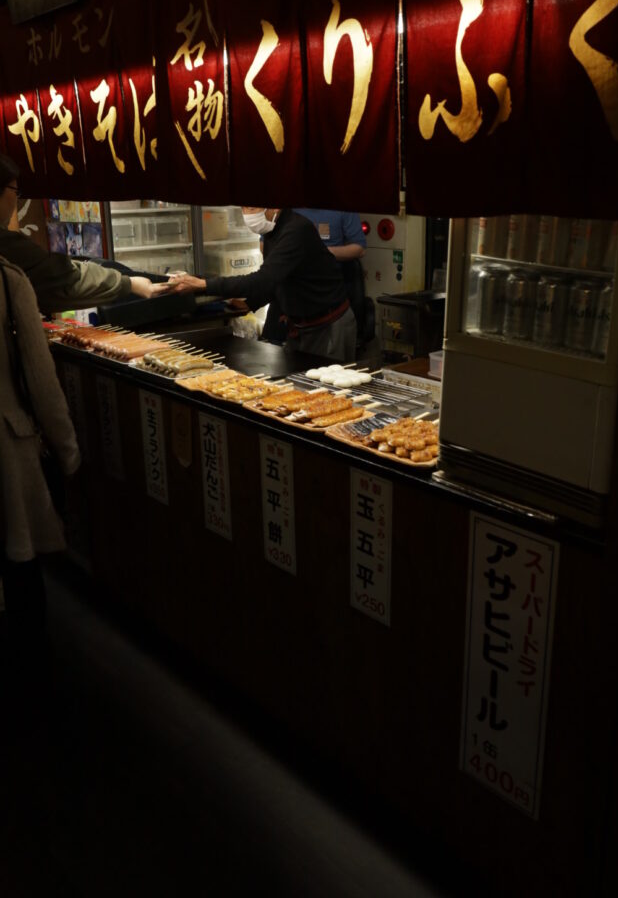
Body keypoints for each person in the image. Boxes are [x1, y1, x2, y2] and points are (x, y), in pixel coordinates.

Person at [0, 253, 81, 711]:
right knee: (20, 563)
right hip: (7, 445)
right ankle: (32, 694)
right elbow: (40, 377)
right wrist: (68, 450)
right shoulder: (7, 278)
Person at [165, 207, 357, 362]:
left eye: (252, 207)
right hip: (300, 325)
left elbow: (263, 279)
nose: (247, 214)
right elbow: (277, 279)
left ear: (274, 207)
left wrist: (203, 284)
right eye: (244, 208)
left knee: (328, 395)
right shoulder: (273, 231)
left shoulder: (296, 230)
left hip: (329, 325)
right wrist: (250, 303)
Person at [0, 154, 164, 314]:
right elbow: (62, 276)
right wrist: (129, 284)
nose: (15, 199)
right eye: (15, 191)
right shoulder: (8, 245)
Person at [263, 208, 368, 345]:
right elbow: (264, 245)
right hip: (289, 295)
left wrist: (319, 251)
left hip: (323, 298)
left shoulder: (342, 208)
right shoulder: (285, 209)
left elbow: (359, 248)